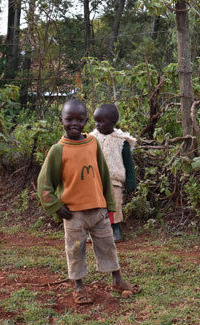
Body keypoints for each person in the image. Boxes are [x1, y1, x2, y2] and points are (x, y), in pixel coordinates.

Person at [37, 99, 139, 304]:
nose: (74, 123)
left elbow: (102, 173)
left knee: (108, 245)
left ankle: (117, 280)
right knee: (75, 249)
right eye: (69, 119)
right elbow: (44, 182)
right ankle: (79, 287)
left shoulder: (92, 143)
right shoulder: (58, 150)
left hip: (98, 210)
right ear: (61, 120)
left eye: (79, 119)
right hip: (74, 214)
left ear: (85, 121)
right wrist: (56, 206)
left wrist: (109, 204)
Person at [90, 103, 137, 242]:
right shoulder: (91, 139)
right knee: (95, 205)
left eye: (101, 121)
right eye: (96, 121)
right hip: (95, 180)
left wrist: (131, 183)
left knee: (114, 205)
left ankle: (116, 229)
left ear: (112, 122)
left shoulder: (122, 141)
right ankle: (96, 231)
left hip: (114, 180)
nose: (97, 125)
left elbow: (128, 164)